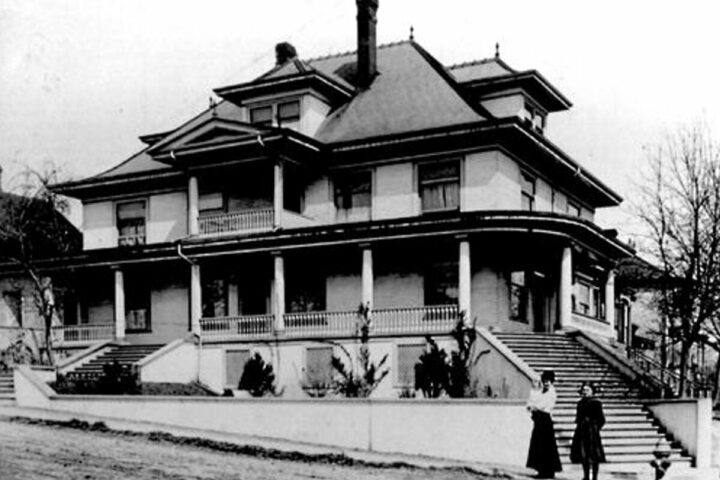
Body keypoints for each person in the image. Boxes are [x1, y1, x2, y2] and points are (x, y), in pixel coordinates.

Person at [526, 370, 562, 479]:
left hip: (545, 420)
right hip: (539, 420)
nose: (546, 383)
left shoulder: (551, 392)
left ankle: (548, 470)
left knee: (547, 446)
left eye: (549, 381)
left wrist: (534, 407)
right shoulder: (541, 391)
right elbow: (532, 402)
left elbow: (542, 405)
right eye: (545, 381)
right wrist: (532, 406)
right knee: (538, 445)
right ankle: (541, 469)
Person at [570, 382, 606, 480]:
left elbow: (602, 420)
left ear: (592, 391)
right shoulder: (580, 403)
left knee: (594, 456)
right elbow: (578, 418)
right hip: (581, 431)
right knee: (583, 455)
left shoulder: (596, 403)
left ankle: (594, 477)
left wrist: (594, 428)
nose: (585, 392)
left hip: (592, 433)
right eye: (583, 390)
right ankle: (586, 476)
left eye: (587, 390)